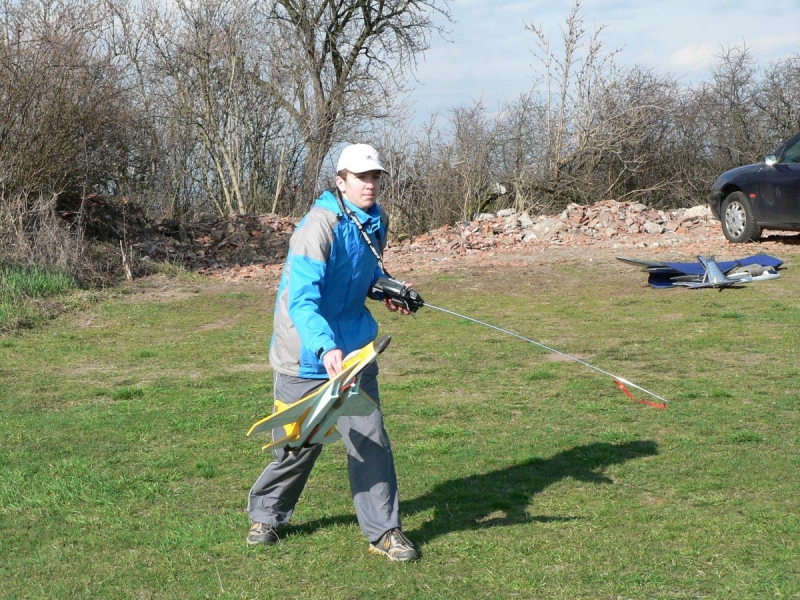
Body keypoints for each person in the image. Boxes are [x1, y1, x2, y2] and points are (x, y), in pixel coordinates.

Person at [247, 143, 418, 562]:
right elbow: (302, 299)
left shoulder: (376, 221)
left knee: (369, 440)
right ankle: (267, 516)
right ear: (340, 181)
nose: (371, 184)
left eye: (376, 176)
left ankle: (384, 532)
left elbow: (364, 274)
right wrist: (325, 347)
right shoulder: (316, 226)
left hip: (355, 352)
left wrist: (386, 289)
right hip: (304, 353)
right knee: (296, 445)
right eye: (362, 177)